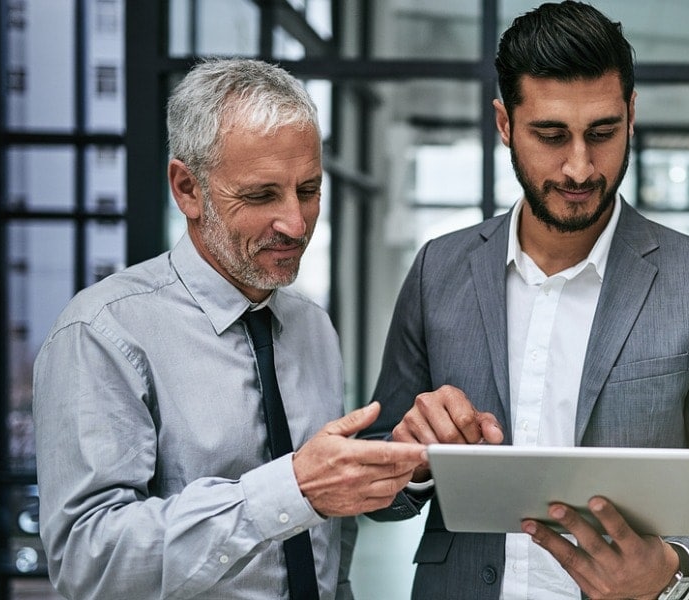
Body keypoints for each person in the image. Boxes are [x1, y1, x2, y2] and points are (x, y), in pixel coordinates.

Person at [359, 2, 689, 598]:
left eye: (603, 133)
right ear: (505, 124)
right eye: (551, 136)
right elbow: (377, 485)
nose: (580, 167)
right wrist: (413, 461)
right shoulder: (438, 269)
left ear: (632, 115)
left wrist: (671, 568)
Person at [32, 58, 426, 599]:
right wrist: (289, 490)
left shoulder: (313, 327)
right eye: (262, 195)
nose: (295, 223)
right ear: (187, 188)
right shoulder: (103, 334)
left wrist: (410, 458)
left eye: (308, 190)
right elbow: (89, 562)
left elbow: (330, 539)